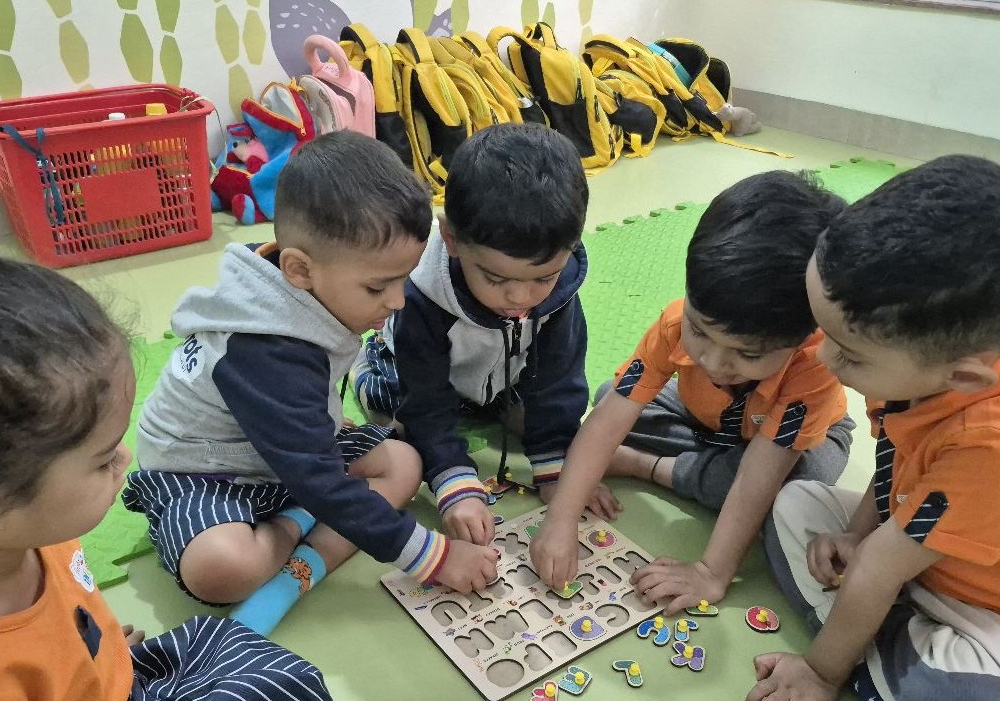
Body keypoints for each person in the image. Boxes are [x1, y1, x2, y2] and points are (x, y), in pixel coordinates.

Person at [0, 260, 566, 701]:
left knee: (247, 663)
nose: (127, 458)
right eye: (104, 458)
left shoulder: (41, 531)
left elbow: (61, 618)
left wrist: (94, 658)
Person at [123, 132, 498, 610]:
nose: (398, 301)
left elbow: (310, 386)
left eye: (403, 280)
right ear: (299, 270)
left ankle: (305, 531)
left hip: (286, 454)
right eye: (377, 287)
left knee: (405, 462)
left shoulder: (307, 278)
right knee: (221, 569)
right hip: (208, 473)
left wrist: (323, 424)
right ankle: (298, 522)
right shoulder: (265, 353)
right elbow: (307, 441)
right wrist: (435, 558)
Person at [746, 155, 1000, 701]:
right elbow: (892, 459)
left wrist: (820, 673)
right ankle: (878, 662)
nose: (825, 360)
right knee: (793, 505)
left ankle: (862, 675)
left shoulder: (986, 439)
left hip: (983, 603)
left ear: (964, 376)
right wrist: (857, 534)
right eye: (823, 333)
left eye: (850, 356)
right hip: (910, 551)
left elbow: (887, 563)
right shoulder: (909, 363)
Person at [530, 171, 854, 598]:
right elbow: (610, 418)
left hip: (792, 445)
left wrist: (711, 572)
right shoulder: (675, 322)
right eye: (698, 331)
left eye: (747, 354)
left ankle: (644, 465)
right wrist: (561, 518)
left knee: (787, 490)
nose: (714, 362)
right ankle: (694, 461)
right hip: (702, 416)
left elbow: (756, 477)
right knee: (610, 398)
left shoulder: (814, 364)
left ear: (801, 336)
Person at [351, 122, 619, 548]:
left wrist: (556, 469)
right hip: (414, 374)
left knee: (544, 420)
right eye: (495, 279)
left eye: (543, 278)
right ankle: (369, 370)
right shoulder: (422, 297)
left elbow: (559, 380)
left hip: (501, 376)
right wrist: (453, 482)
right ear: (451, 239)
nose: (520, 297)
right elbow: (426, 402)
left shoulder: (560, 288)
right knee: (401, 432)